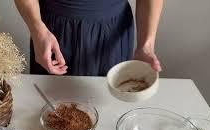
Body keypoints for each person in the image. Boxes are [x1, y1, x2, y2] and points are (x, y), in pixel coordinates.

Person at [14, 0, 163, 76]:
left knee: (109, 105)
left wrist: (146, 46)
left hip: (113, 36)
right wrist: (37, 29)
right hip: (52, 33)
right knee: (49, 108)